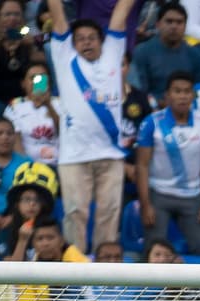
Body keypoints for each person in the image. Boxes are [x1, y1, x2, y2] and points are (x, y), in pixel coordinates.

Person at [45, 0, 138, 252]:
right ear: (72, 44)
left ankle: (104, 277)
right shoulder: (65, 57)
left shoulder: (113, 51)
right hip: (74, 155)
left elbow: (121, 12)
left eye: (91, 38)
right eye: (80, 39)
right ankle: (75, 276)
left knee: (109, 214)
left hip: (111, 155)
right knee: (75, 214)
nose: (86, 42)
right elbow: (56, 12)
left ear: (102, 41)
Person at [136, 70, 200, 259]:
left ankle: (193, 288)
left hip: (193, 194)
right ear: (167, 95)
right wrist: (146, 203)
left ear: (193, 95)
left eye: (187, 91)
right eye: (177, 91)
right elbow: (142, 165)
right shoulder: (152, 123)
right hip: (159, 193)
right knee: (153, 250)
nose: (182, 96)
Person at [0, 0, 46, 118]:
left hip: (25, 98)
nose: (13, 18)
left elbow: (42, 74)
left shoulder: (29, 41)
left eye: (17, 14)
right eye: (7, 14)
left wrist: (32, 47)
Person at [128, 2, 200, 101]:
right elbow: (137, 91)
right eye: (169, 21)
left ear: (185, 26)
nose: (174, 26)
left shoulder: (196, 55)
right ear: (157, 24)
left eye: (179, 22)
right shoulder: (141, 52)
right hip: (150, 110)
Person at [5, 63, 61, 167]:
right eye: (33, 78)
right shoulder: (15, 106)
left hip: (59, 164)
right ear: (23, 83)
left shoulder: (60, 103)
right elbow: (16, 142)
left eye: (42, 78)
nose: (37, 82)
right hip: (28, 166)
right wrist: (27, 167)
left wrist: (48, 105)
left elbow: (65, 133)